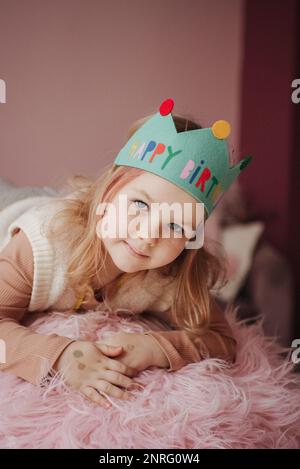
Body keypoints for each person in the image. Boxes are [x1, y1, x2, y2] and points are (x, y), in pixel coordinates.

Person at [0, 98, 252, 408]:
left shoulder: (166, 275)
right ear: (108, 189)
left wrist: (156, 348)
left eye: (175, 226)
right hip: (18, 206)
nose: (147, 236)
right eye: (140, 204)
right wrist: (61, 356)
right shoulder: (41, 244)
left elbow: (221, 339)